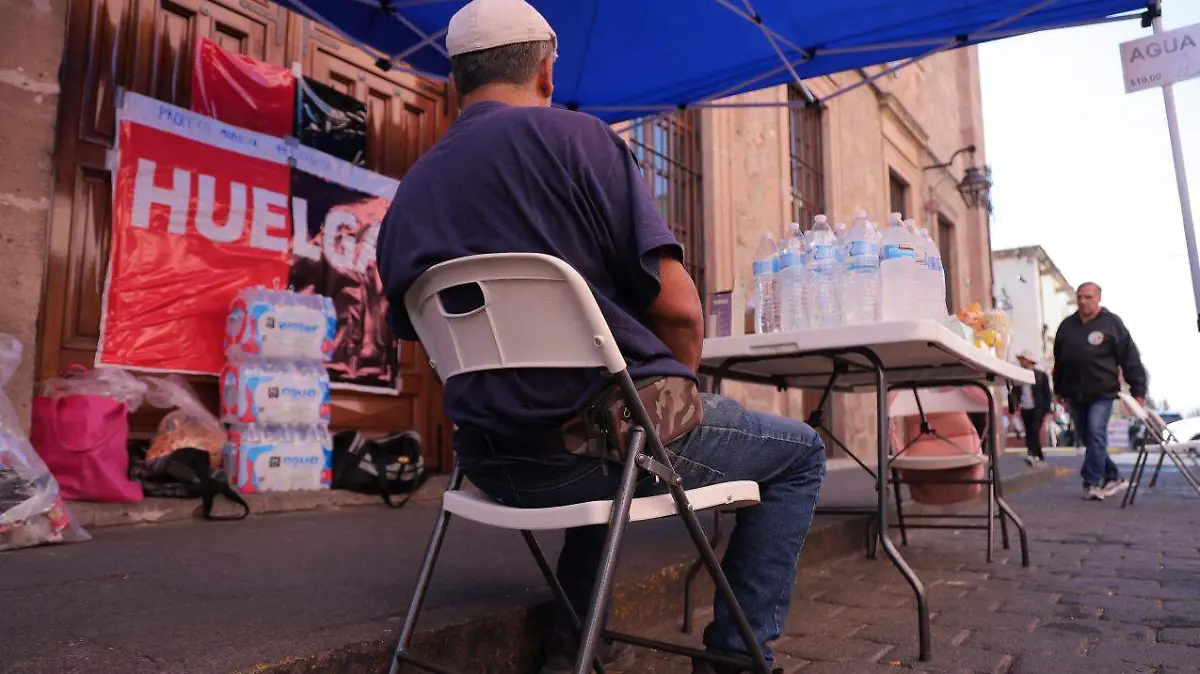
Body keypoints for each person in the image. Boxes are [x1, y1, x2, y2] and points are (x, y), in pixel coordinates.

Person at [374, 1, 827, 672]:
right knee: (799, 453)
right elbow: (682, 313)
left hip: (488, 464)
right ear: (546, 73)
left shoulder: (410, 194)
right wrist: (676, 398)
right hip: (598, 451)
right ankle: (735, 660)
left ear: (454, 82)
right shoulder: (580, 142)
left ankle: (575, 648)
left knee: (609, 419)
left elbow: (419, 336)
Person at [1052, 282, 1148, 501]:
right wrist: (1058, 389)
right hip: (1074, 392)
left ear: (1098, 298)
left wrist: (1138, 390)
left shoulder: (1111, 323)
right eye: (1079, 297)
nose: (1082, 301)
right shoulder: (1067, 326)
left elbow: (1130, 358)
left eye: (1088, 297)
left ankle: (1093, 481)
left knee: (1096, 432)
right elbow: (1060, 360)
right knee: (1089, 438)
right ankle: (1112, 475)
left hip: (1102, 392)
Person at [1007, 350, 1053, 466]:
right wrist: (1014, 406)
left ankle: (1032, 454)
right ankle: (1038, 456)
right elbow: (1015, 391)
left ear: (1029, 361)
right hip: (1025, 408)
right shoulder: (1019, 375)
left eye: (1022, 359)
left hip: (1038, 409)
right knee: (1029, 432)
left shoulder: (1041, 375)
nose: (1021, 362)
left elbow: (1047, 394)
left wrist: (1048, 410)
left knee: (1034, 430)